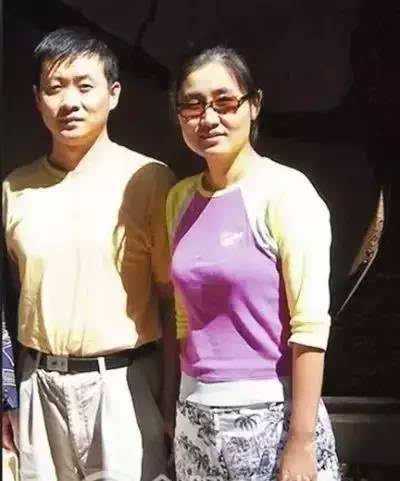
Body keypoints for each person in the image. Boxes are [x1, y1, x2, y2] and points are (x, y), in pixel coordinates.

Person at [2, 27, 176, 481]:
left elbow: (173, 301)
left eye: (84, 86)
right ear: (37, 99)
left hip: (125, 384)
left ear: (113, 94)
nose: (69, 102)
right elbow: (12, 296)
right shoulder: (15, 188)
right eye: (55, 88)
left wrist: (171, 396)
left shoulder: (149, 180)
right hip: (37, 383)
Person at [166, 46, 341, 481]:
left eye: (225, 102)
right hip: (196, 416)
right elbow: (184, 318)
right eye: (193, 104)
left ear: (254, 105)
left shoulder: (286, 192)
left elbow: (310, 325)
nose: (208, 118)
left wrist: (301, 442)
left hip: (271, 415)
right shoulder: (179, 199)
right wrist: (178, 407)